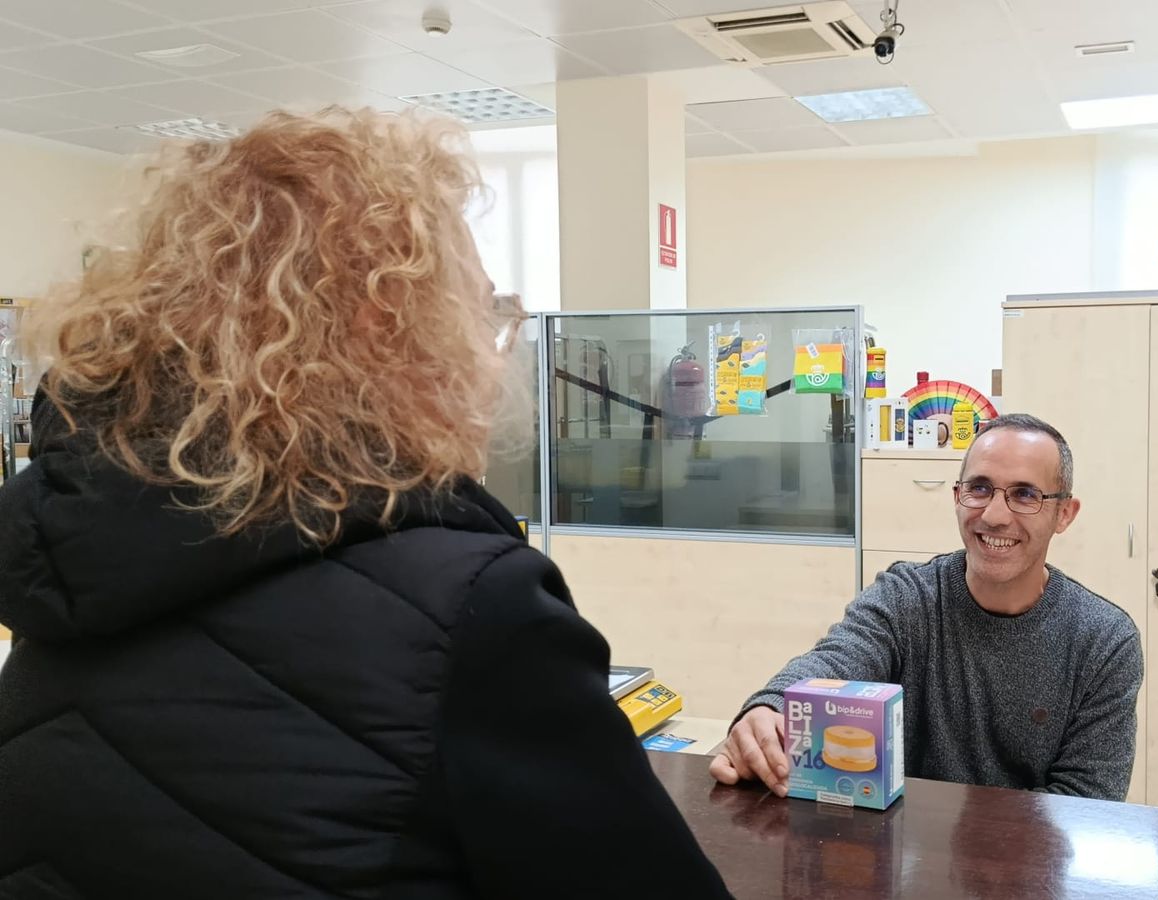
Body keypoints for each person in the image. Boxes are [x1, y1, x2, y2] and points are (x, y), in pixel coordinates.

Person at [0, 108, 730, 899]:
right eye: (482, 315)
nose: (492, 358)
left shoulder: (69, 564)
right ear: (392, 329)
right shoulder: (474, 608)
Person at [710, 414, 1142, 800]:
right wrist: (769, 708)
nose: (994, 515)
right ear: (957, 496)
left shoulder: (1103, 640)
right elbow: (836, 659)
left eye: (1025, 495)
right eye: (979, 488)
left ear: (1064, 514)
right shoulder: (906, 598)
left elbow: (1087, 804)